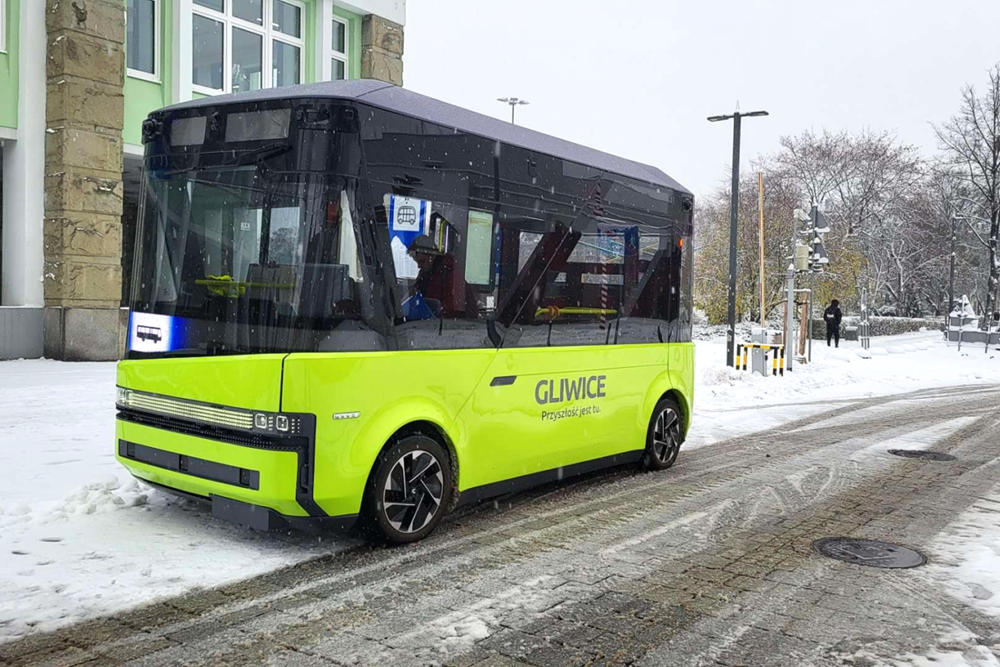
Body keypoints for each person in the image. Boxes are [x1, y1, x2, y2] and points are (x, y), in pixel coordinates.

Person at [407, 234, 459, 317]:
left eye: (422, 261)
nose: (419, 266)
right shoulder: (426, 272)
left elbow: (450, 307)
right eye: (417, 262)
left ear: (433, 256)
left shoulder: (449, 274)